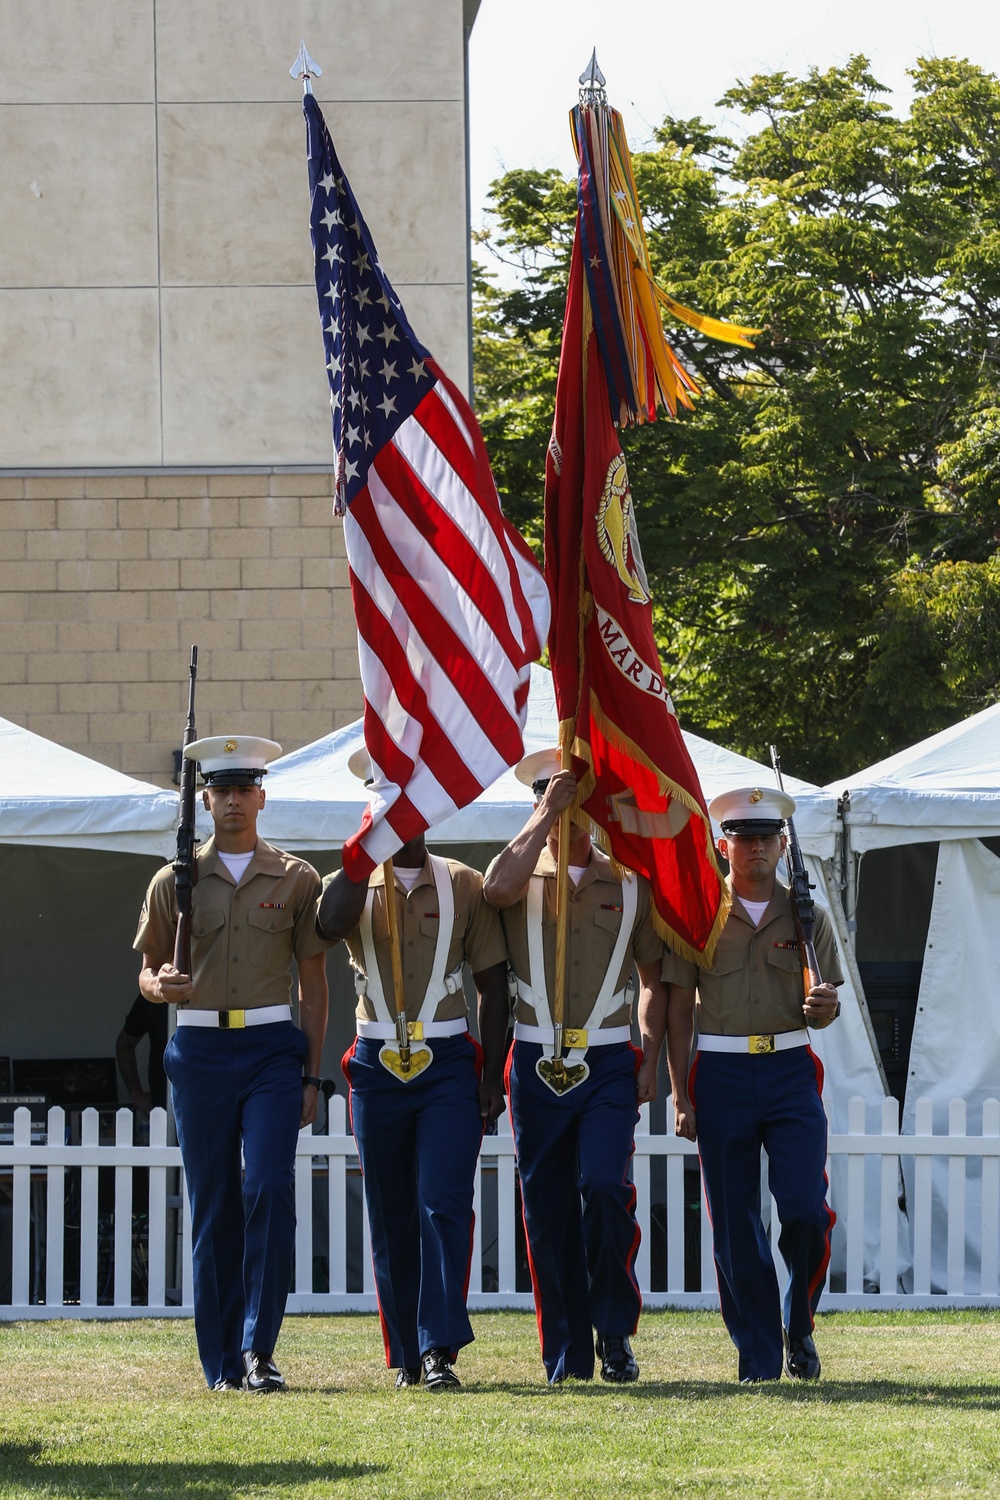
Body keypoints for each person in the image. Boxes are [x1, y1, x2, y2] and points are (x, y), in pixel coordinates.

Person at [134, 734, 329, 1394]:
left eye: (248, 789)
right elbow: (146, 972)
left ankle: (258, 1349)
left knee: (269, 1187)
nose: (236, 801)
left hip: (274, 1050)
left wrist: (310, 1073)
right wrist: (162, 986)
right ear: (207, 800)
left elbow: (315, 982)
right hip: (200, 1051)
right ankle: (220, 1363)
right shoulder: (175, 880)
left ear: (263, 798)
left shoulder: (298, 878)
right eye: (225, 790)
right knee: (214, 1203)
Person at [316, 748, 509, 1391]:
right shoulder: (352, 881)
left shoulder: (464, 883)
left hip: (448, 1061)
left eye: (411, 800)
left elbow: (494, 986)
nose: (401, 813)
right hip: (376, 1062)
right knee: (391, 1207)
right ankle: (404, 1350)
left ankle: (438, 1350)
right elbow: (326, 924)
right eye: (388, 799)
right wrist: (361, 851)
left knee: (444, 1202)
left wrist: (490, 1079)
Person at [483, 750, 666, 1385]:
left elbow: (654, 979)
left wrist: (650, 1053)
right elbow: (495, 889)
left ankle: (614, 1332)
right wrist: (545, 813)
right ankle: (566, 1349)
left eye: (577, 799)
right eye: (555, 797)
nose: (569, 813)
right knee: (548, 1206)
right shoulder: (520, 873)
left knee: (607, 1190)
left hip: (610, 1058)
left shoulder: (628, 882)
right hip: (534, 1056)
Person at [661, 785, 843, 1385]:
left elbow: (829, 999)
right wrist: (680, 1093)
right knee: (736, 1224)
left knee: (805, 1212)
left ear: (783, 844)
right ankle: (760, 1357)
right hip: (722, 1072)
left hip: (790, 1070)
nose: (757, 848)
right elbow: (679, 1008)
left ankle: (800, 1321)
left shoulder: (807, 914)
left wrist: (823, 1008)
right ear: (723, 844)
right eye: (745, 838)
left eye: (768, 838)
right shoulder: (701, 916)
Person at [115, 994, 168, 1115]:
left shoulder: (209, 991)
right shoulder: (155, 994)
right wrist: (135, 1092)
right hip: (162, 1107)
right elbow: (124, 1043)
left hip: (208, 1100)